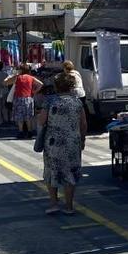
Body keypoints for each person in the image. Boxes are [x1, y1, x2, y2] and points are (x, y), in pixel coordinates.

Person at [38, 72, 87, 215]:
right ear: (71, 86)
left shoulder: (50, 101)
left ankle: (53, 203)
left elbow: (41, 121)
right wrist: (82, 139)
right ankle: (69, 206)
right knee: (70, 172)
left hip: (53, 142)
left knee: (51, 171)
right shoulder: (77, 102)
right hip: (72, 142)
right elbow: (83, 124)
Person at [4, 64, 43, 139]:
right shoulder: (31, 77)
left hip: (19, 98)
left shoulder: (17, 77)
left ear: (21, 70)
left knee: (20, 117)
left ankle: (21, 132)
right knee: (28, 116)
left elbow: (5, 82)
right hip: (29, 98)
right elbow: (41, 84)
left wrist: (11, 75)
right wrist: (34, 91)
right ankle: (29, 132)